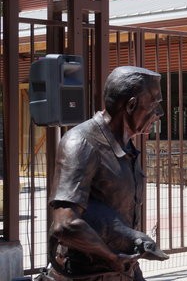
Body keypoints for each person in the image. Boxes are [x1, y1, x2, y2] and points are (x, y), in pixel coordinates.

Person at [43, 66, 167, 281]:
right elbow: (65, 225)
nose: (160, 113)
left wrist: (131, 243)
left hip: (123, 271)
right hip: (85, 275)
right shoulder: (81, 143)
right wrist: (111, 257)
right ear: (130, 106)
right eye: (155, 104)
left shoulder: (127, 146)